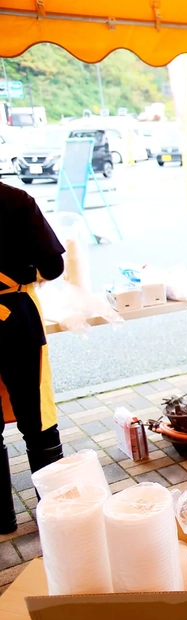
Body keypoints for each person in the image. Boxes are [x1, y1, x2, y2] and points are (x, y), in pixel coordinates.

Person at [0, 183, 65, 534]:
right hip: (16, 316)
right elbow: (53, 266)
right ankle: (54, 518)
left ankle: (2, 519)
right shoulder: (13, 199)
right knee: (37, 417)